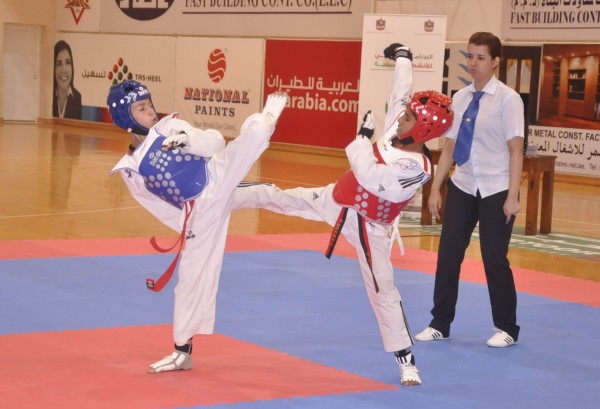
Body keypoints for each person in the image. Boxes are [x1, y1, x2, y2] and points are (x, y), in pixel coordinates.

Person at [233, 43, 454, 386]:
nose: (400, 118)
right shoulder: (399, 127)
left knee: (383, 289)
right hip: (339, 200)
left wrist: (363, 139)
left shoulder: (417, 168)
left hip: (371, 227)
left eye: (410, 118)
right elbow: (400, 93)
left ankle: (405, 359)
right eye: (405, 115)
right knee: (283, 198)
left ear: (424, 130)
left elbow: (371, 176)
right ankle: (226, 194)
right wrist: (403, 58)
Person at [107, 79, 288, 373]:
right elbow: (158, 205)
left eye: (149, 104)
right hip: (199, 210)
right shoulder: (130, 169)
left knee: (255, 137)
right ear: (124, 118)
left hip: (216, 174)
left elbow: (216, 142)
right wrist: (186, 223)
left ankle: (268, 121)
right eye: (140, 108)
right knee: (189, 280)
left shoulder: (168, 127)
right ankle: (182, 352)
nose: (150, 111)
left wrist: (188, 140)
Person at [414, 32, 524, 348]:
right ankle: (440, 323)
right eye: (470, 56)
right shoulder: (459, 98)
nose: (473, 63)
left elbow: (516, 150)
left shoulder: (508, 100)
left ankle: (506, 328)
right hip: (463, 185)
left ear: (496, 61)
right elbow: (449, 147)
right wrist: (436, 188)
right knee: (448, 255)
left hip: (496, 189)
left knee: (494, 258)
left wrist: (512, 196)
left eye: (480, 58)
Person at [53, 40, 82, 119]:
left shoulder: (78, 98)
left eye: (68, 62)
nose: (64, 70)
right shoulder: (48, 97)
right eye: (58, 64)